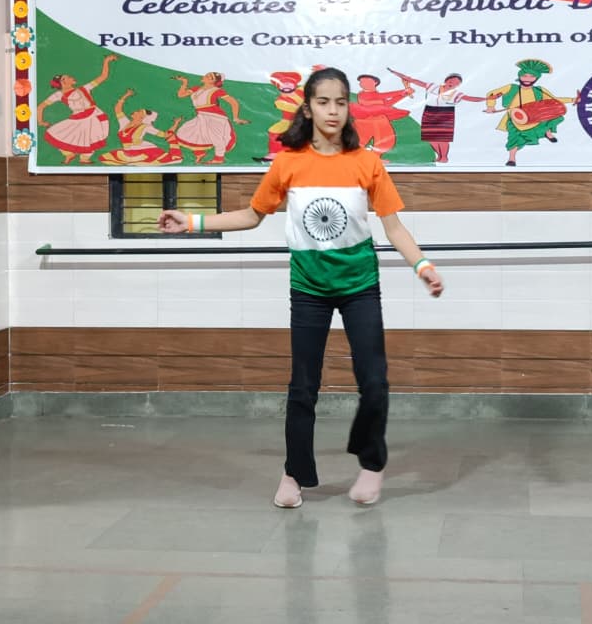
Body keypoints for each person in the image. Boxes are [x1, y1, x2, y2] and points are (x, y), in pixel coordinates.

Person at [157, 67, 444, 509]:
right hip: (309, 288)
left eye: (341, 102)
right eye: (323, 102)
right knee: (303, 387)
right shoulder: (288, 163)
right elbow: (251, 216)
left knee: (374, 381)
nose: (333, 111)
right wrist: (192, 221)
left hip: (360, 286)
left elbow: (394, 227)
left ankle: (371, 463)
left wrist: (422, 265)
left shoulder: (367, 162)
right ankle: (294, 473)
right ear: (307, 108)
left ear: (349, 108)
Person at [484, 58, 576, 166]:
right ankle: (512, 158)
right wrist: (491, 106)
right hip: (515, 118)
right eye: (524, 76)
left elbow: (554, 100)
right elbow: (492, 94)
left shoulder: (539, 90)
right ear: (519, 76)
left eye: (532, 76)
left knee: (551, 116)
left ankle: (547, 133)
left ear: (536, 78)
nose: (527, 79)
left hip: (536, 116)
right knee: (514, 138)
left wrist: (572, 100)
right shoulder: (511, 88)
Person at [37, 54, 119, 165]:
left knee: (92, 138)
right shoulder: (58, 95)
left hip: (94, 115)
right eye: (68, 77)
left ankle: (84, 158)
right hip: (78, 118)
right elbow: (40, 107)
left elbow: (103, 76)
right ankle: (69, 154)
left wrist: (106, 61)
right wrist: (40, 121)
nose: (72, 77)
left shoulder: (84, 88)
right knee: (53, 133)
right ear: (63, 81)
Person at [389, 69, 482, 163]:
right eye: (451, 81)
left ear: (458, 85)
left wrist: (486, 99)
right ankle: (440, 156)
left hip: (445, 114)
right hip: (430, 112)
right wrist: (396, 73)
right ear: (446, 81)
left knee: (442, 138)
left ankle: (444, 157)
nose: (452, 84)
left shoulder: (456, 94)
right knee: (430, 138)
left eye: (456, 83)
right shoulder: (433, 87)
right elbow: (413, 80)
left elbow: (470, 98)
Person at [171, 72, 249, 165]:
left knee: (216, 138)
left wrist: (236, 117)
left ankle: (219, 159)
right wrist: (185, 82)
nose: (204, 76)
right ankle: (200, 153)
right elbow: (181, 95)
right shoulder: (196, 88)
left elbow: (233, 102)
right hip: (201, 116)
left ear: (213, 81)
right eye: (206, 75)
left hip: (215, 117)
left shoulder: (216, 90)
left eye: (208, 76)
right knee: (185, 132)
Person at [98, 89, 183, 165]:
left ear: (142, 117)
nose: (135, 111)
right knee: (104, 158)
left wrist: (176, 124)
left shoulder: (145, 127)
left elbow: (165, 135)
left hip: (144, 150)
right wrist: (126, 95)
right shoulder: (124, 122)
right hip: (128, 151)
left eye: (138, 111)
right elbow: (117, 109)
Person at [349, 74, 413, 156]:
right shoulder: (362, 94)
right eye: (361, 81)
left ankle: (376, 157)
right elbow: (382, 96)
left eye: (366, 81)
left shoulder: (377, 96)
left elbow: (387, 104)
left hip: (380, 122)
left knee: (385, 140)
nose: (362, 83)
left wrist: (404, 94)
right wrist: (403, 91)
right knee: (360, 139)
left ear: (375, 82)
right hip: (365, 122)